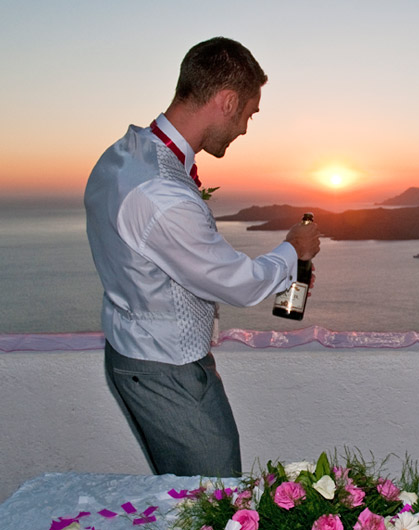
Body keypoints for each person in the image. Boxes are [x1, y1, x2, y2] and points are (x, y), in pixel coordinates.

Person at [84, 37, 321, 477]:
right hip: (166, 369)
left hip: (134, 353)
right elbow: (237, 283)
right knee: (214, 493)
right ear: (228, 101)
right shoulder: (161, 193)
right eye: (249, 113)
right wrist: (295, 249)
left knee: (182, 492)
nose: (246, 128)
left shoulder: (123, 156)